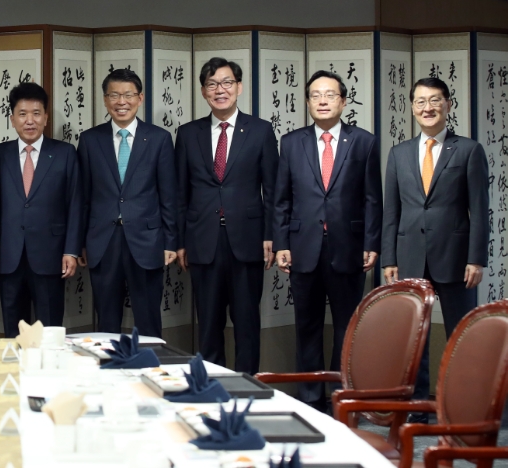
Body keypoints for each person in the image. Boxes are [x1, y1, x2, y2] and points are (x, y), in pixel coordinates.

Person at [273, 69, 382, 409]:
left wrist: (371, 243)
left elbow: (371, 199)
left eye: (330, 94)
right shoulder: (291, 142)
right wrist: (281, 244)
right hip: (303, 247)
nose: (322, 100)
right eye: (315, 95)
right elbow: (281, 199)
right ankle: (309, 398)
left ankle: (341, 398)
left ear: (343, 101)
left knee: (347, 329)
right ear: (307, 102)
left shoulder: (364, 141)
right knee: (307, 327)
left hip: (347, 249)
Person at [381, 76, 488, 418]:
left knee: (461, 334)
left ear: (448, 105)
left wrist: (476, 258)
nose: (427, 108)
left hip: (456, 257)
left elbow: (479, 208)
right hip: (410, 254)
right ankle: (418, 405)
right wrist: (389, 258)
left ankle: (462, 404)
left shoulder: (469, 150)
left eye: (434, 101)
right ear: (412, 108)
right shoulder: (398, 154)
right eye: (420, 102)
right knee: (416, 334)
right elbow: (391, 211)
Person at [174, 57, 278, 374]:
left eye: (227, 82)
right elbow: (180, 194)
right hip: (202, 242)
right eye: (212, 84)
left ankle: (247, 389)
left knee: (247, 322)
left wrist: (271, 235)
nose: (220, 90)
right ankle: (212, 388)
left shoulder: (260, 131)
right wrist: (179, 241)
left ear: (239, 87)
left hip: (247, 241)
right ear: (204, 91)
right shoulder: (188, 134)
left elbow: (272, 190)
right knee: (208, 323)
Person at [77, 68, 178, 338]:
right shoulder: (89, 139)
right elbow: (82, 198)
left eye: (128, 95)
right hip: (102, 242)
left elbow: (168, 195)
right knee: (107, 321)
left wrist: (171, 241)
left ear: (140, 98)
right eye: (114, 95)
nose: (121, 101)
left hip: (147, 241)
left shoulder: (159, 139)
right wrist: (81, 243)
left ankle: (150, 373)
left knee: (148, 321)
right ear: (105, 99)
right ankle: (110, 375)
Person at [0, 82, 82, 337]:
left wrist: (72, 250)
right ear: (12, 119)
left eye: (36, 113)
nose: (29, 120)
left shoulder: (65, 153)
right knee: (13, 329)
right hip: (8, 256)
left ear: (46, 117)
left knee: (51, 330)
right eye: (22, 114)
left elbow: (74, 203)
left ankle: (49, 375)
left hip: (51, 256)